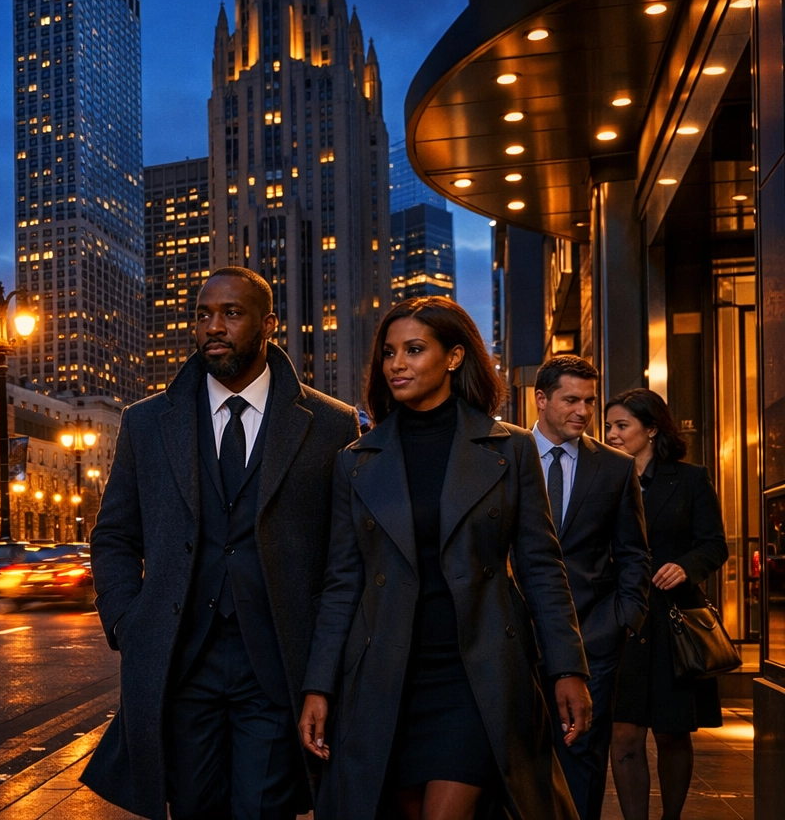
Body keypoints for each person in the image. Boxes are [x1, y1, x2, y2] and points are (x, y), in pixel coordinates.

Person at [300, 296, 592, 820]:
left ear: (454, 358)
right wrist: (319, 685)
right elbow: (342, 582)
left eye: (414, 349)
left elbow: (542, 568)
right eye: (389, 353)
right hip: (387, 674)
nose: (397, 364)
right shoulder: (357, 461)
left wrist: (568, 668)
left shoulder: (512, 448)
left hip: (476, 670)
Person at [82, 267, 359, 819]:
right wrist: (125, 621)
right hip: (180, 662)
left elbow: (342, 561)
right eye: (203, 314)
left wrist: (324, 672)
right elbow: (113, 533)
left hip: (277, 664)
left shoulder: (330, 424)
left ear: (267, 324)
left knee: (262, 810)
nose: (214, 326)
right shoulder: (147, 422)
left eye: (231, 314)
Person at [531, 355, 651, 820]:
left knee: (580, 757)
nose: (582, 411)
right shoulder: (505, 455)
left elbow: (634, 552)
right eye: (571, 400)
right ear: (541, 399)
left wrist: (623, 620)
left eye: (589, 401)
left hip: (591, 642)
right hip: (517, 639)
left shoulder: (615, 468)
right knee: (516, 759)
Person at [605, 388, 728, 820]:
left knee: (673, 734)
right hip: (623, 623)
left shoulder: (690, 479)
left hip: (673, 623)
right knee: (623, 736)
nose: (613, 435)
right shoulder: (603, 478)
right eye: (610, 427)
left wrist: (685, 566)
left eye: (623, 426)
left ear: (651, 429)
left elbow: (714, 545)